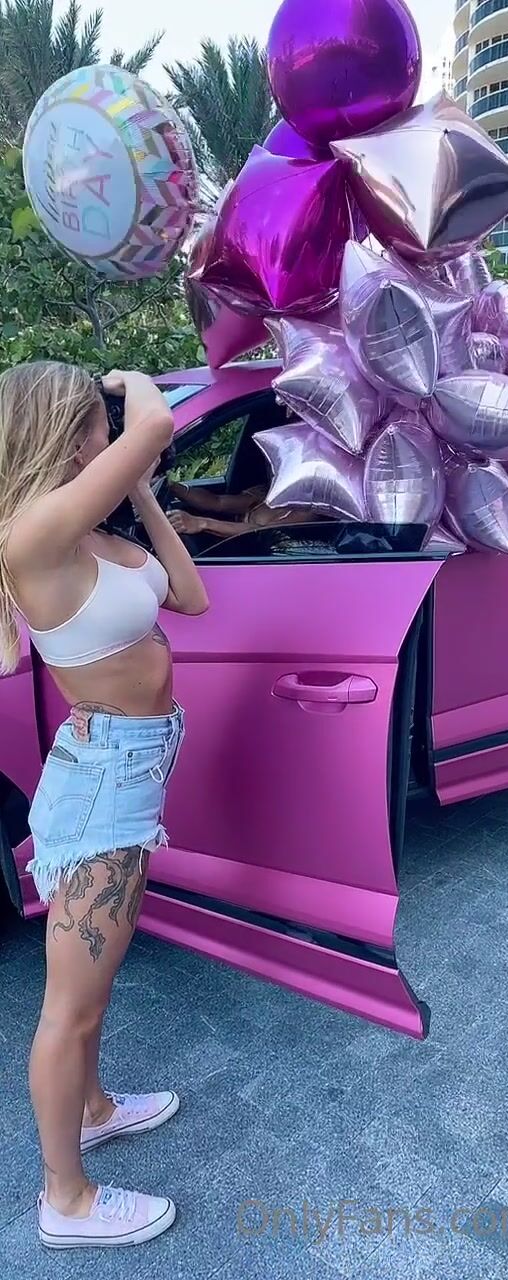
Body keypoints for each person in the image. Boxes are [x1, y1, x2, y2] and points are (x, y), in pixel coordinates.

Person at [0, 362, 209, 1250]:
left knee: (92, 986)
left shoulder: (84, 528)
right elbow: (154, 426)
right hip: (103, 783)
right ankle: (66, 1200)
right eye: (98, 420)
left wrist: (144, 494)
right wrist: (132, 384)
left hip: (128, 768)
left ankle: (92, 1109)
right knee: (71, 1005)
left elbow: (191, 598)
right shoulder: (34, 532)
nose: (110, 433)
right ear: (66, 425)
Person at [166, 478, 320, 541]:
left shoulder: (308, 511)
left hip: (257, 566)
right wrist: (172, 486)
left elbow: (260, 530)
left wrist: (201, 523)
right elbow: (216, 502)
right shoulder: (265, 492)